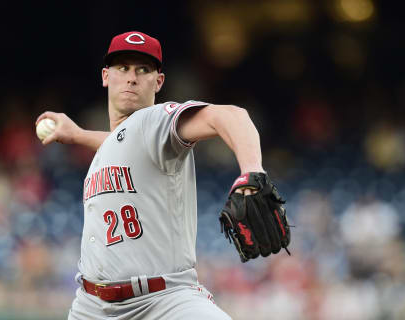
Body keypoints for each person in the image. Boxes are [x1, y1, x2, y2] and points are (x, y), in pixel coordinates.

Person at [36, 31, 269, 320]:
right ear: (106, 76)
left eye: (143, 69)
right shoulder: (117, 145)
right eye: (123, 68)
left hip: (163, 302)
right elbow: (122, 142)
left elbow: (232, 115)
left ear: (158, 81)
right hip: (90, 307)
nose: (131, 77)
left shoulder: (158, 120)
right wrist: (78, 135)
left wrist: (252, 170)